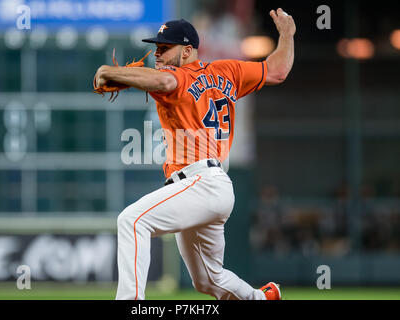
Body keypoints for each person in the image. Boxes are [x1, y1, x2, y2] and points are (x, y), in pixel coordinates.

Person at [94, 8, 295, 300]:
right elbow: (278, 70)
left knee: (132, 221)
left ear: (188, 50)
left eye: (165, 48)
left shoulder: (176, 79)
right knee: (208, 280)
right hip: (212, 187)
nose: (157, 54)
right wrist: (287, 35)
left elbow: (164, 82)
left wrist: (108, 71)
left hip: (200, 182)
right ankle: (261, 298)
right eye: (156, 48)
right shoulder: (229, 71)